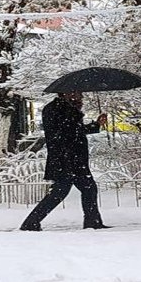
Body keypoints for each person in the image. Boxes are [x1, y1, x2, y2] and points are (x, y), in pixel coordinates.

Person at [20, 92, 110, 231]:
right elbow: (66, 133)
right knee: (60, 193)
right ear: (67, 93)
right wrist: (76, 113)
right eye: (78, 94)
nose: (82, 97)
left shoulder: (68, 109)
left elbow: (76, 131)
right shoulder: (56, 109)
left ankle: (93, 222)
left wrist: (96, 124)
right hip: (65, 160)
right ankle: (31, 222)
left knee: (87, 189)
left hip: (74, 160)